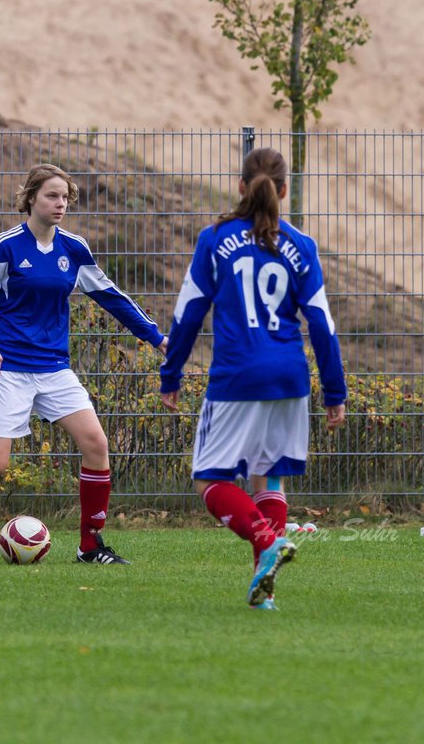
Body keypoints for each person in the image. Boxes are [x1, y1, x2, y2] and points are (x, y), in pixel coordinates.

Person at [0, 163, 167, 564]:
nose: (60, 203)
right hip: (6, 367)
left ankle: (90, 546)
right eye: (52, 195)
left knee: (96, 444)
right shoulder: (7, 245)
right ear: (31, 197)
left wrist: (157, 338)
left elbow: (113, 297)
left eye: (65, 197)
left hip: (53, 368)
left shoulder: (74, 248)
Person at [159, 148, 346, 609]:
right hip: (290, 378)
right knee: (270, 479)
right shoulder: (301, 245)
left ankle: (266, 542)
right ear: (283, 190)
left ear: (241, 187)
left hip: (237, 376)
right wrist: (335, 391)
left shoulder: (214, 238)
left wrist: (172, 372)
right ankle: (264, 591)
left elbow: (188, 314)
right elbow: (321, 323)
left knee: (210, 482)